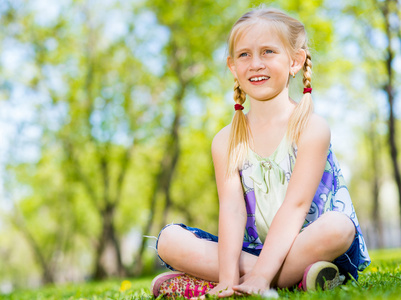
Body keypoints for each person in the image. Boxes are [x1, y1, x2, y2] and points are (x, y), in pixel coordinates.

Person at [150, 7, 371, 299]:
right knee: (168, 239)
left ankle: (237, 279)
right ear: (232, 67)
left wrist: (262, 275)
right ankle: (295, 279)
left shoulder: (311, 128)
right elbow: (231, 210)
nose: (255, 63)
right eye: (244, 55)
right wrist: (228, 276)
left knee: (339, 227)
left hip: (311, 245)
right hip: (254, 249)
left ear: (295, 61)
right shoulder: (225, 140)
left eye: (268, 52)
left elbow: (295, 207)